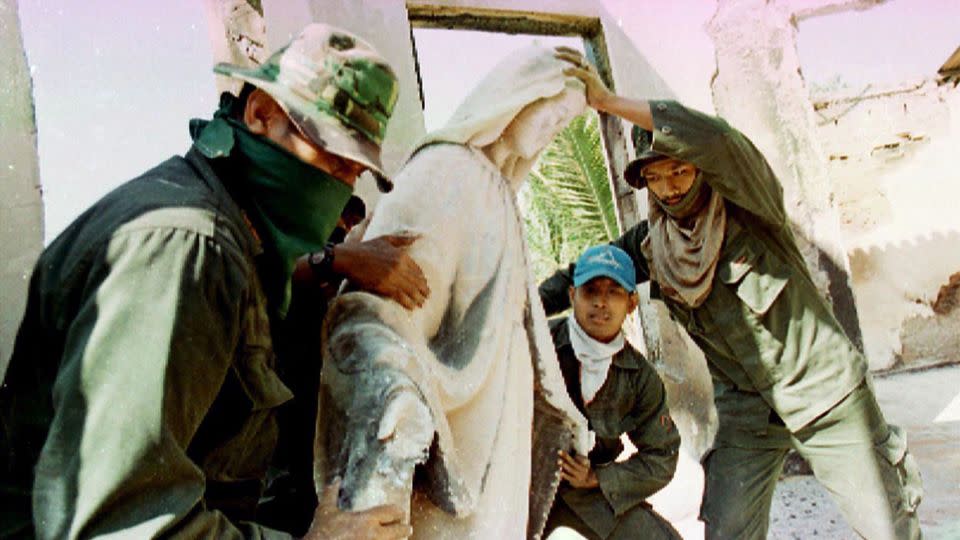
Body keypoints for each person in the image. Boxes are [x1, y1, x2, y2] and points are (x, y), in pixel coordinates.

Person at [0, 24, 417, 539]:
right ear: (261, 113)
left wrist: (337, 263)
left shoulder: (217, 228)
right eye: (327, 155)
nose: (335, 187)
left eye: (351, 171)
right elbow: (120, 525)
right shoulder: (187, 247)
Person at [539, 47, 923, 540]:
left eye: (680, 170)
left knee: (887, 526)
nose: (671, 187)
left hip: (825, 394)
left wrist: (608, 102)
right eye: (655, 177)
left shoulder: (749, 206)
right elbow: (583, 274)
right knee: (727, 531)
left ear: (700, 167)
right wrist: (516, 309)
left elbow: (717, 139)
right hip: (747, 412)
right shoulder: (653, 244)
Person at [313, 45, 591, 539]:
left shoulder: (498, 188)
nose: (553, 131)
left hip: (500, 412)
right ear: (517, 98)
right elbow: (386, 304)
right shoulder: (445, 169)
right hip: (459, 420)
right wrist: (397, 386)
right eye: (552, 114)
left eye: (562, 123)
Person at [544, 244, 681, 540]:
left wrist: (595, 478)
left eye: (614, 292)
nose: (601, 303)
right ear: (572, 296)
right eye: (590, 290)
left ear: (632, 304)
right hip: (523, 488)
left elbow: (661, 455)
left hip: (587, 495)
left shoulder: (640, 377)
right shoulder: (535, 344)